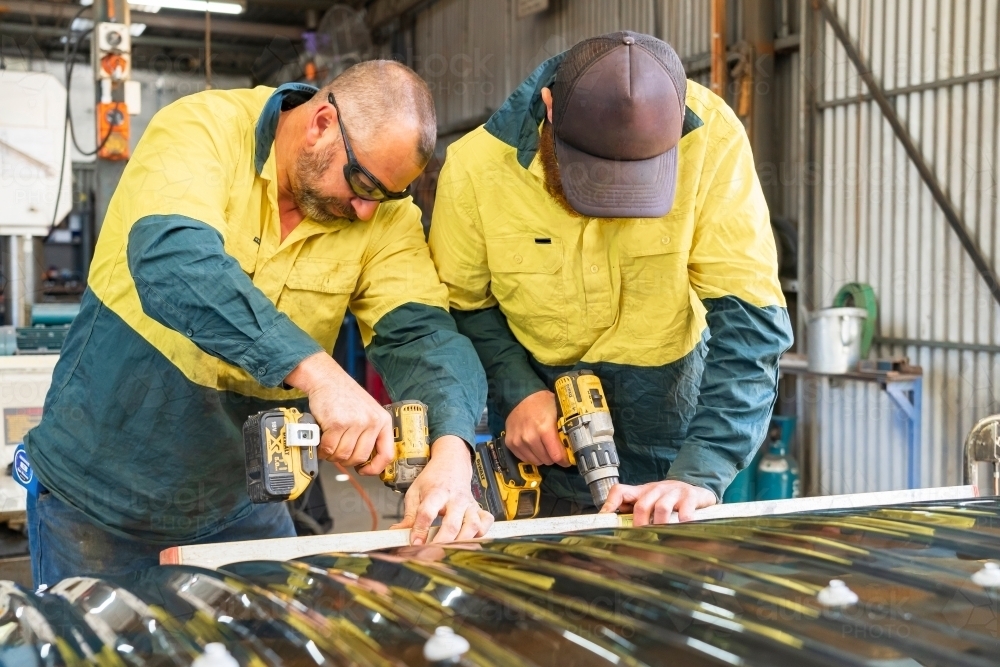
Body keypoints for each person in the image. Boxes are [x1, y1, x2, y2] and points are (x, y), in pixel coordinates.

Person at [25, 60, 492, 588]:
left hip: (246, 506)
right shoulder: (204, 128)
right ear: (321, 123)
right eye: (361, 183)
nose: (366, 211)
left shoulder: (383, 214)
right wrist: (321, 375)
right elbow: (174, 262)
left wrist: (453, 450)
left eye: (384, 195)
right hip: (100, 501)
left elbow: (423, 336)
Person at [429, 32, 793, 526]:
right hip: (541, 436)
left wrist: (701, 469)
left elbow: (749, 323)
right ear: (551, 109)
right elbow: (464, 308)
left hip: (669, 424)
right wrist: (519, 392)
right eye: (593, 175)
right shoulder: (477, 167)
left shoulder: (712, 139)